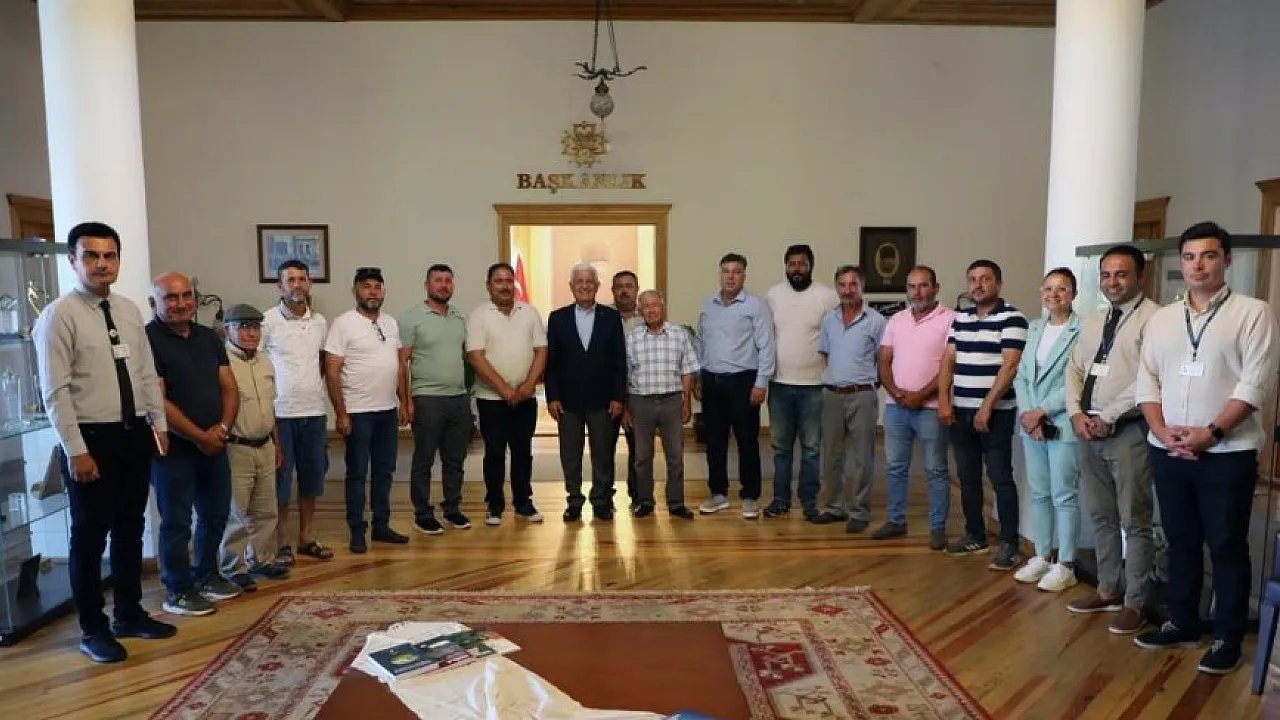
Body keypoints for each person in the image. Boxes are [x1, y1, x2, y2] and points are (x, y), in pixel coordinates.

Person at [1134, 221, 1278, 675]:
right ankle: (1183, 622)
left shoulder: (1253, 313)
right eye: (1190, 257)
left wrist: (1211, 433)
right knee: (1180, 541)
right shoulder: (1162, 319)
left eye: (1209, 256)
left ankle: (1227, 637)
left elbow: (1256, 383)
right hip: (1168, 450)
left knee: (1226, 544)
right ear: (1182, 262)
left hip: (1227, 453)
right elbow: (1147, 378)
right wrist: (1161, 431)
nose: (1198, 266)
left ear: (1227, 260)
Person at [33, 221, 175, 663]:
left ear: (117, 260)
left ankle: (128, 614)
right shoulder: (59, 316)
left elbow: (146, 372)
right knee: (90, 538)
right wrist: (76, 450)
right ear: (73, 261)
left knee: (131, 528)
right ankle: (92, 629)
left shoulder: (129, 310)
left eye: (109, 255)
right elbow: (54, 392)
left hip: (132, 434)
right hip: (90, 438)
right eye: (91, 256)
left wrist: (158, 423)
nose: (101, 264)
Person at [1064, 244, 1159, 635]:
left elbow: (1149, 378)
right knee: (1101, 515)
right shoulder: (1094, 320)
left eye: (1121, 274)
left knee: (1134, 520)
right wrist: (1076, 413)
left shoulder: (1155, 319)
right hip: (1088, 431)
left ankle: (1135, 602)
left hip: (1128, 431)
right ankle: (1107, 589)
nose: (1112, 282)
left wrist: (1108, 416)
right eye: (1106, 275)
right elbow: (1074, 368)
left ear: (1139, 276)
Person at [147, 271, 242, 616]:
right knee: (176, 522)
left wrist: (222, 428)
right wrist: (200, 436)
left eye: (187, 295)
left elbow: (229, 386)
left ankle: (207, 575)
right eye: (171, 297)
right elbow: (158, 400)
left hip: (215, 443)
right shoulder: (147, 340)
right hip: (174, 449)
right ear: (153, 302)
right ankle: (178, 589)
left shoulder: (208, 337)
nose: (181, 303)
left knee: (215, 514)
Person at [938, 259, 1027, 570]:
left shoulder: (1013, 318)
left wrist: (987, 406)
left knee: (1000, 478)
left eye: (985, 279)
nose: (978, 285)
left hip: (996, 414)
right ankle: (975, 535)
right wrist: (944, 399)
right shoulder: (960, 319)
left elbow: (1010, 366)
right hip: (961, 411)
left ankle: (1009, 545)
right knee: (967, 477)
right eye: (973, 279)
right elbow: (948, 359)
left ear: (998, 284)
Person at [324, 267, 410, 553]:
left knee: (385, 471)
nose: (372, 291)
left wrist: (404, 401)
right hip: (358, 412)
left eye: (377, 286)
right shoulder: (343, 324)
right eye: (366, 286)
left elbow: (399, 366)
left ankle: (381, 525)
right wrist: (341, 413)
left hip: (387, 411)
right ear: (355, 292)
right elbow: (332, 372)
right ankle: (357, 530)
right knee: (358, 472)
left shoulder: (390, 322)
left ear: (383, 291)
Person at [1011, 268, 1082, 593]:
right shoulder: (1035, 327)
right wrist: (1030, 415)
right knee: (1039, 492)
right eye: (1048, 288)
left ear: (1073, 294)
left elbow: (1076, 379)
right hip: (1032, 425)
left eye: (1062, 288)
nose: (1054, 294)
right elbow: (1022, 376)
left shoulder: (1081, 330)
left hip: (1062, 422)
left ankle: (1066, 563)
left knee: (1064, 494)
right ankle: (1042, 555)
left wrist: (1041, 412)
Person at [875, 266, 955, 549]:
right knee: (895, 467)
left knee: (935, 469)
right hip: (896, 408)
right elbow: (884, 360)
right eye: (912, 286)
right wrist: (898, 394)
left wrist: (920, 396)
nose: (917, 292)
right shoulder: (896, 320)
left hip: (931, 408)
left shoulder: (951, 319)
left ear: (936, 287)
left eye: (923, 285)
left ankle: (937, 528)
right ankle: (896, 521)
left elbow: (950, 366)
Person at [261, 259, 333, 564]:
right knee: (281, 481)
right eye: (290, 280)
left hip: (313, 412)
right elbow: (259, 365)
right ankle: (282, 544)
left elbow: (322, 362)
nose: (297, 285)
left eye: (302, 279)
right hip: (280, 414)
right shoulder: (267, 321)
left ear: (309, 283)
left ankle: (306, 538)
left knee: (312, 479)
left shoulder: (320, 322)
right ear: (280, 286)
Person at [466, 262, 548, 525]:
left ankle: (524, 503)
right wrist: (504, 389)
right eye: (498, 281)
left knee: (523, 452)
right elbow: (475, 356)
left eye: (508, 280)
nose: (504, 285)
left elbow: (541, 351)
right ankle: (494, 505)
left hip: (525, 398)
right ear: (488, 286)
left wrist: (528, 386)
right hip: (491, 400)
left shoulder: (530, 313)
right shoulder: (479, 315)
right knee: (495, 453)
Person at [545, 263, 627, 522]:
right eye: (579, 282)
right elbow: (551, 362)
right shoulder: (557, 318)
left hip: (603, 400)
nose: (584, 286)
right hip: (567, 401)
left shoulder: (611, 317)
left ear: (597, 286)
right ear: (571, 286)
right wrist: (552, 396)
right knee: (570, 454)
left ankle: (601, 500)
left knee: (603, 453)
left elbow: (619, 361)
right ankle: (574, 500)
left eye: (589, 282)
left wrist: (618, 397)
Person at [696, 252, 774, 519]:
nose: (730, 277)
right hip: (712, 381)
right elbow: (700, 342)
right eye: (726, 271)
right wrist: (699, 376)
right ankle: (718, 494)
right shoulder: (708, 306)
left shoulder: (755, 306)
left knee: (747, 441)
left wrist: (761, 383)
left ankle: (750, 496)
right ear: (720, 274)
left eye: (736, 271)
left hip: (744, 381)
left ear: (744, 276)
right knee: (714, 441)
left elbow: (766, 346)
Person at [764, 244, 839, 520]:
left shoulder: (827, 297)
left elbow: (836, 337)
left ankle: (809, 501)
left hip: (814, 386)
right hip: (780, 384)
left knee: (811, 449)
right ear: (786, 267)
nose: (797, 269)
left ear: (811, 267)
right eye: (792, 264)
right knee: (780, 448)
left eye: (802, 264)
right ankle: (780, 500)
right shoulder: (773, 296)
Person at [218, 304, 290, 591]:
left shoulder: (265, 361)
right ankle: (233, 567)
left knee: (266, 510)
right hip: (237, 447)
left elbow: (270, 408)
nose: (251, 333)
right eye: (243, 327)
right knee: (236, 512)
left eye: (255, 327)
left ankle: (261, 560)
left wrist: (277, 445)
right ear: (227, 330)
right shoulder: (222, 363)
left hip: (265, 445)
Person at [399, 264, 474, 535]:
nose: (443, 285)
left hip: (458, 399)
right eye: (438, 280)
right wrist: (406, 401)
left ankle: (452, 508)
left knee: (455, 460)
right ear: (427, 285)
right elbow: (401, 363)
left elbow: (466, 358)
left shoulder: (459, 318)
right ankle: (422, 514)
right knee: (424, 460)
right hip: (427, 399)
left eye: (448, 281)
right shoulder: (411, 318)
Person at [815, 266, 886, 532]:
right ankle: (834, 507)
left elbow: (883, 360)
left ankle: (859, 511)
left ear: (862, 287)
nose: (847, 290)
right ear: (837, 288)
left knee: (862, 456)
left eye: (853, 284)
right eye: (842, 285)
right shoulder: (829, 320)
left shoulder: (876, 321)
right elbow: (826, 355)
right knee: (831, 455)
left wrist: (869, 384)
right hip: (832, 394)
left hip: (862, 395)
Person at [624, 290, 698, 519]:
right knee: (642, 457)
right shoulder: (632, 338)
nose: (651, 310)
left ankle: (676, 503)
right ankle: (645, 501)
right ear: (640, 311)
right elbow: (624, 375)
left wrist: (686, 402)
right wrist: (626, 408)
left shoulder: (679, 334)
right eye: (646, 306)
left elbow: (687, 370)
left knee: (675, 456)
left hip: (671, 401)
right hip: (640, 401)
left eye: (655, 305)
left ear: (663, 307)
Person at [611, 270, 643, 508]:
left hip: (638, 394)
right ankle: (604, 497)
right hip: (608, 395)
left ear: (636, 289)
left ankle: (639, 495)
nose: (624, 291)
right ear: (612, 291)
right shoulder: (603, 317)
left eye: (629, 286)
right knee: (604, 450)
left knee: (639, 449)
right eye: (619, 286)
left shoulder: (647, 318)